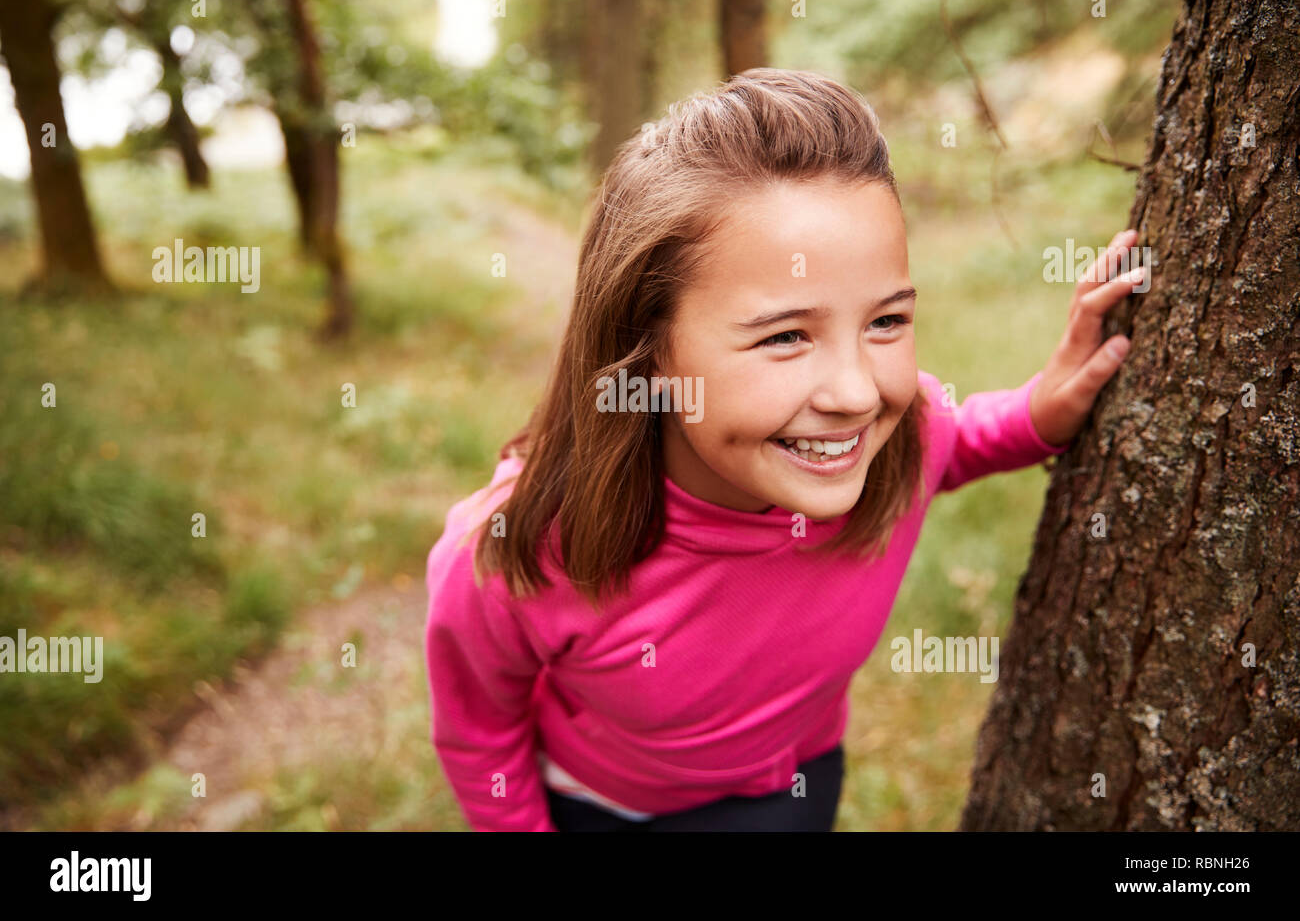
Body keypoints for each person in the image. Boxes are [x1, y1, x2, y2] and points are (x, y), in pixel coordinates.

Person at [424, 68, 1140, 832]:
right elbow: (479, 732)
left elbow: (956, 439)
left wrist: (1042, 412)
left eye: (886, 322)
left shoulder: (897, 440)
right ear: (649, 354)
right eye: (786, 336)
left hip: (794, 787)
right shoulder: (520, 549)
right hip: (605, 809)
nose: (856, 394)